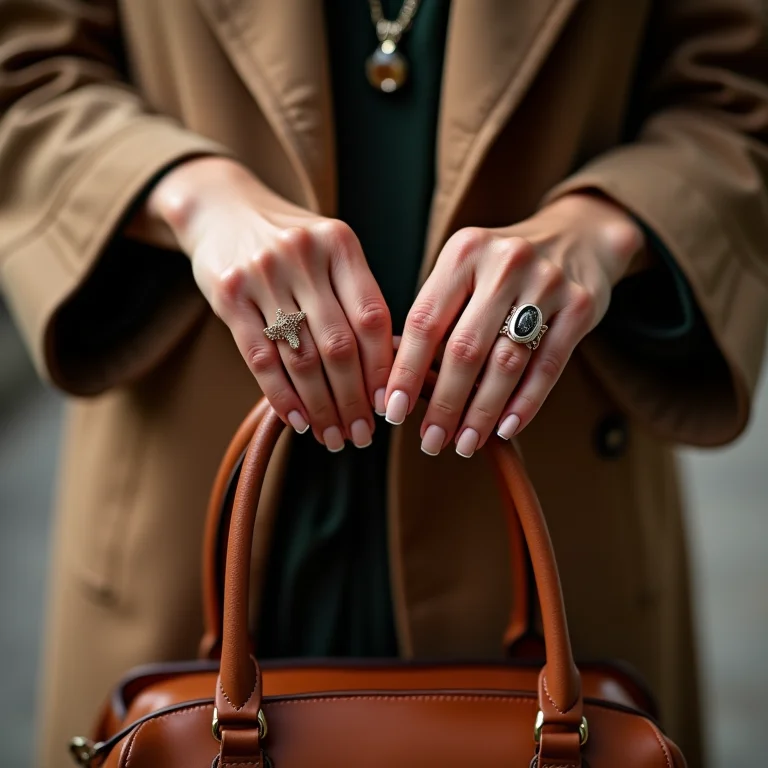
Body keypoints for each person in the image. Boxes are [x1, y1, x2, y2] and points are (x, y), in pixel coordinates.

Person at [1, 1, 767, 765]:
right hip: (183, 501)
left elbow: (737, 94)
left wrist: (601, 228)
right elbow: (24, 69)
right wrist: (191, 195)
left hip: (556, 509)